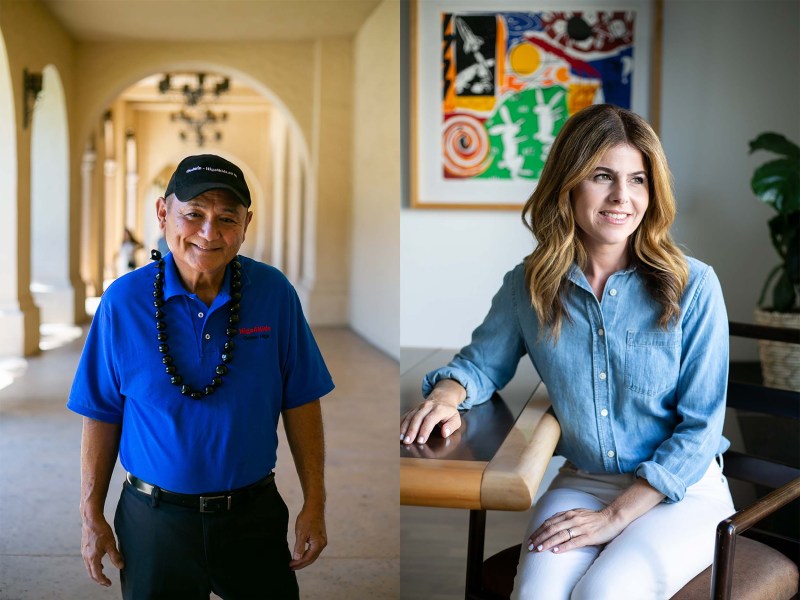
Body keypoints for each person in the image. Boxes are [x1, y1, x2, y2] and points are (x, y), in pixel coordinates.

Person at [400, 104, 735, 599]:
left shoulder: (695, 285)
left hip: (681, 489)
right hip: (586, 480)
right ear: (569, 184)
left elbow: (701, 428)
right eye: (602, 176)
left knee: (605, 592)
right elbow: (480, 364)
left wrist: (614, 517)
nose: (622, 196)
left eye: (638, 180)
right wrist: (446, 396)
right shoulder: (528, 285)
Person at [69, 154, 334, 599]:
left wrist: (316, 502)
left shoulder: (275, 294)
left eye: (227, 218)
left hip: (252, 515)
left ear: (246, 225)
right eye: (193, 214)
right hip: (153, 520)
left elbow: (302, 399)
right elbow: (101, 412)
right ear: (163, 213)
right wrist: (91, 514)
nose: (209, 233)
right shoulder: (123, 302)